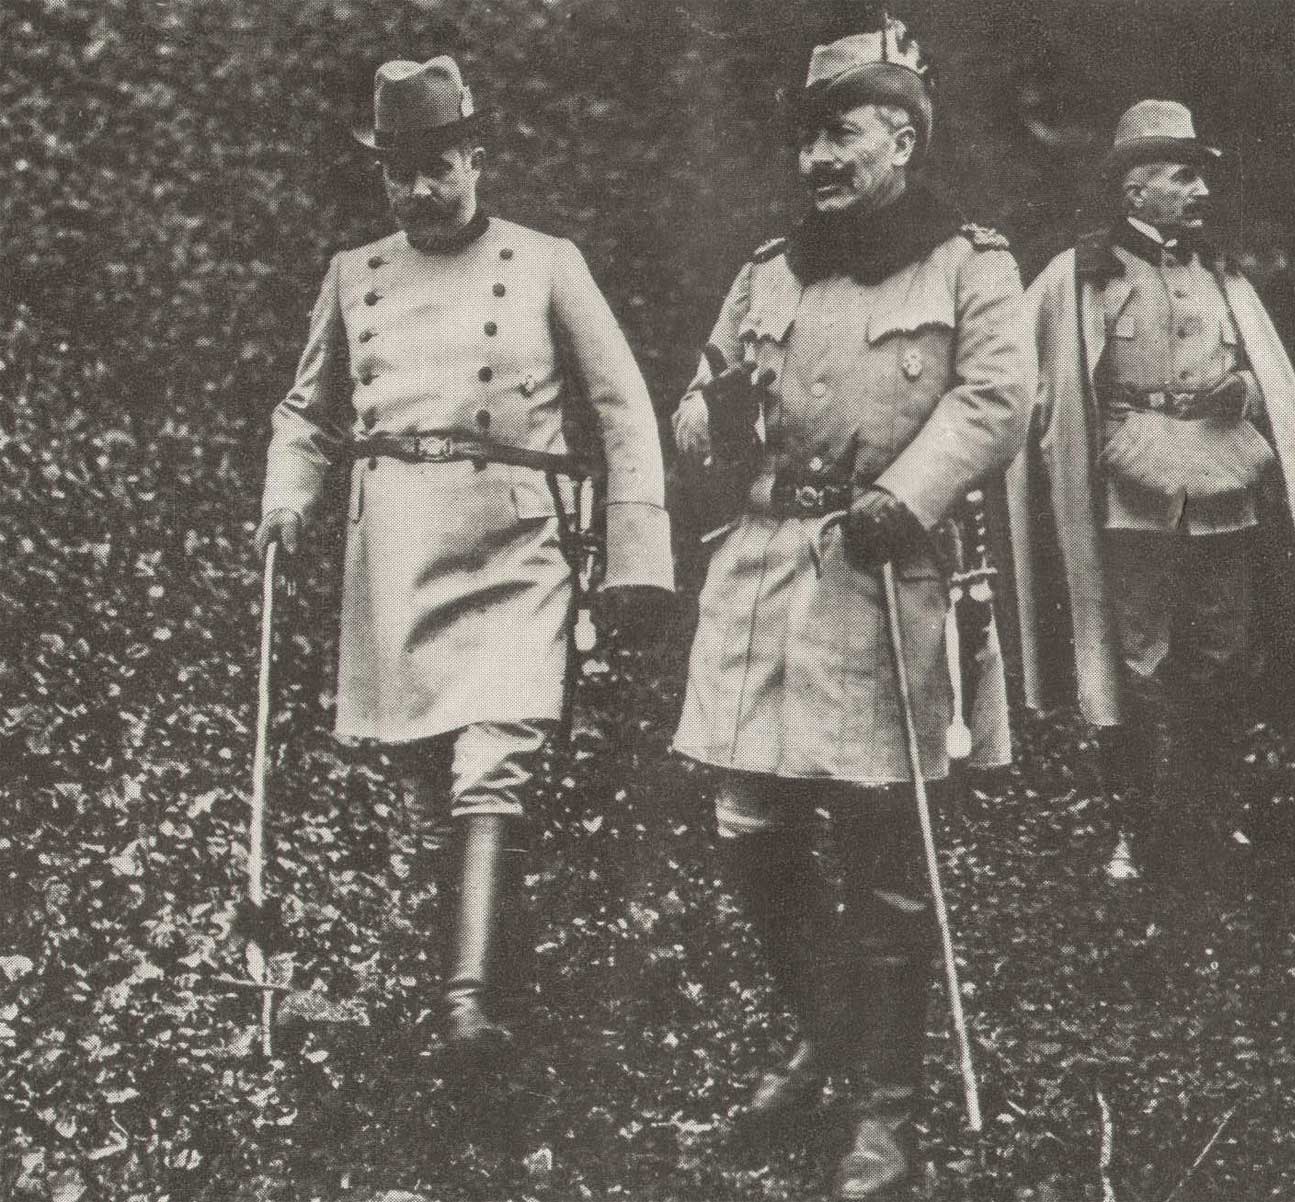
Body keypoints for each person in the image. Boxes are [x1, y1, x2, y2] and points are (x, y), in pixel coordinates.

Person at [671, 17, 1029, 1198]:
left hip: (882, 576)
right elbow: (702, 401)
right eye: (808, 140)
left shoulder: (968, 264)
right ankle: (829, 1028)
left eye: (843, 135)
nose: (819, 159)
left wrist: (908, 496)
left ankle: (886, 1108)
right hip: (767, 573)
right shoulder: (770, 268)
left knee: (881, 848)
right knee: (749, 827)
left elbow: (996, 398)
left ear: (903, 139)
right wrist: (709, 417)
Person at [255, 57, 672, 1065]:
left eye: (436, 167)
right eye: (397, 173)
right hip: (398, 547)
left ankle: (466, 1006)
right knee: (426, 778)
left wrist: (635, 553)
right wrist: (286, 494)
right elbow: (306, 411)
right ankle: (484, 970)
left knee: (494, 758)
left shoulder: (545, 262)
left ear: (476, 158)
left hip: (515, 541)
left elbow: (621, 405)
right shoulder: (354, 273)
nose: (417, 190)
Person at [1005, 99, 1295, 883]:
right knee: (1138, 664)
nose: (1201, 192)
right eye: (1183, 177)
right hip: (1131, 497)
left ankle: (1211, 812)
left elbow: (1269, 379)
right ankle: (1135, 825)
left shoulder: (1224, 276)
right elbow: (1020, 376)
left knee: (1225, 660)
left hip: (1226, 490)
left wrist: (1244, 393)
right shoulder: (1077, 276)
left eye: (1201, 178)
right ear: (1135, 188)